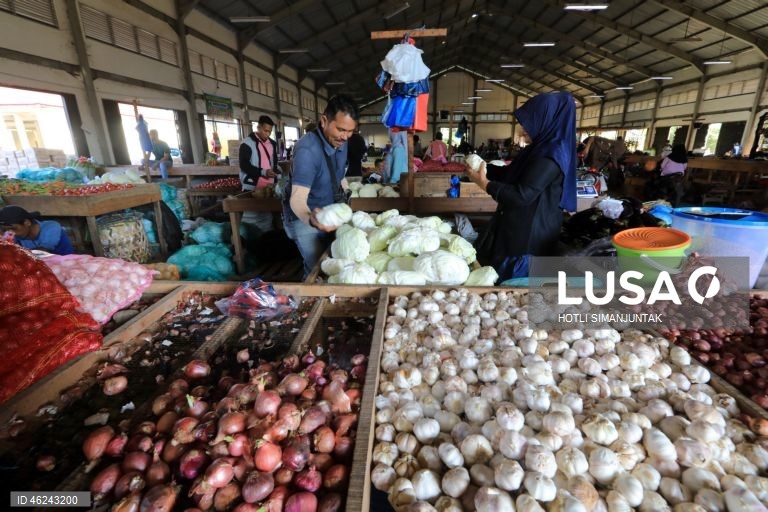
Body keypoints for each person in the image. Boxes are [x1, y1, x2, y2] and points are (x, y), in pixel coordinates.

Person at [466, 91, 577, 281]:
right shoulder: (539, 148)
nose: (524, 127)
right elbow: (512, 175)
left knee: (514, 285)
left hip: (529, 234)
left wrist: (485, 184)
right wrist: (484, 168)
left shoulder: (552, 154)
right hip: (516, 225)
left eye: (531, 121)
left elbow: (522, 194)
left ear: (546, 119)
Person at [282, 95, 359, 277]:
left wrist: (347, 191)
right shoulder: (307, 150)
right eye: (341, 129)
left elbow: (338, 172)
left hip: (329, 211)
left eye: (350, 131)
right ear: (324, 121)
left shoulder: (342, 141)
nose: (345, 136)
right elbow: (297, 198)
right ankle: (306, 301)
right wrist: (311, 219)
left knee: (333, 261)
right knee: (317, 268)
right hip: (304, 216)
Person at [240, 115, 280, 233]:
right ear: (258, 127)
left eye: (269, 131)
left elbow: (274, 163)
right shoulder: (247, 143)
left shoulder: (272, 144)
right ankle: (249, 238)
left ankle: (267, 236)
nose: (267, 134)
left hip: (268, 187)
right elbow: (244, 165)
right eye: (265, 130)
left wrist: (276, 172)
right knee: (251, 216)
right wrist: (263, 172)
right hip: (252, 187)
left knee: (268, 217)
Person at [0, 205, 74, 255]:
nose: (9, 232)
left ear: (27, 223)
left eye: (13, 228)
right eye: (5, 230)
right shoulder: (17, 235)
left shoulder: (52, 227)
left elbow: (42, 251)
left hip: (65, 264)